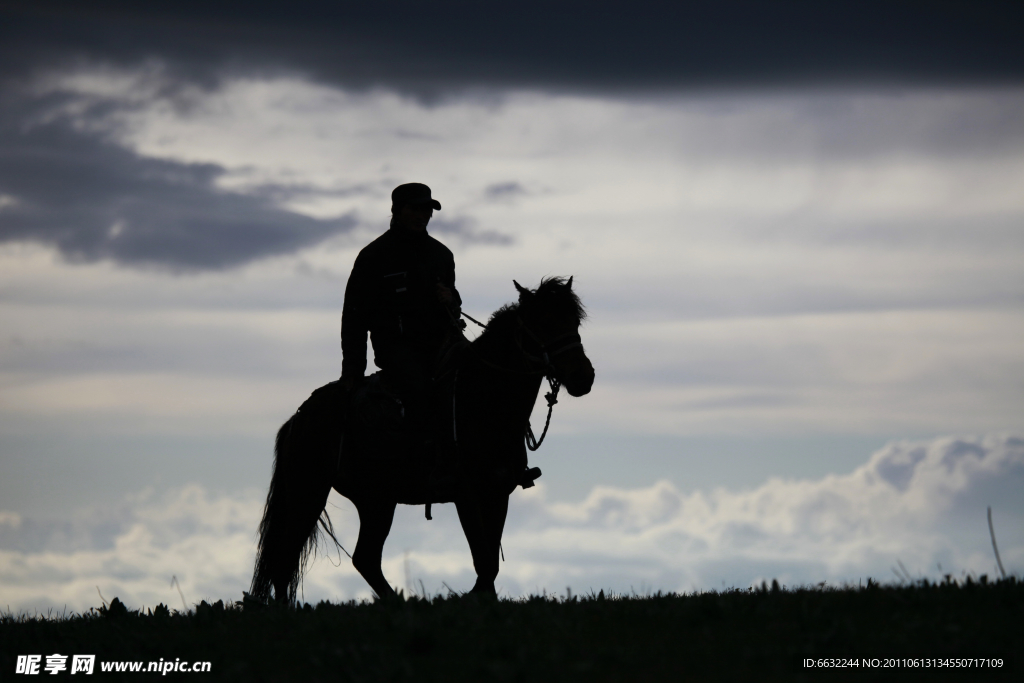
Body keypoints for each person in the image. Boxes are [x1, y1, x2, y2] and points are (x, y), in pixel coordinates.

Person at [339, 183, 462, 446]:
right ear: (397, 210)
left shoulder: (442, 255)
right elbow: (354, 317)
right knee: (419, 393)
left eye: (427, 210)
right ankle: (421, 466)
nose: (422, 216)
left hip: (442, 347)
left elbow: (453, 304)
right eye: (415, 209)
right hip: (397, 349)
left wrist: (451, 300)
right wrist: (353, 371)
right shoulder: (373, 256)